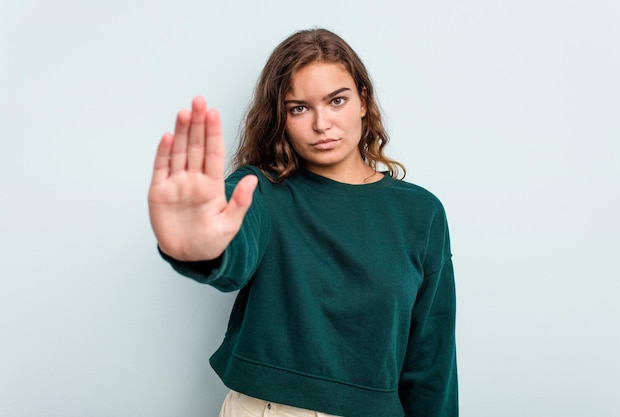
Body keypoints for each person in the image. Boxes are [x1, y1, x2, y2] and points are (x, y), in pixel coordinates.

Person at [148, 28, 458, 417]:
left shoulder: (421, 213)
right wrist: (202, 249)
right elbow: (232, 253)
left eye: (336, 101)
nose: (321, 123)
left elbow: (432, 357)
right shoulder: (258, 190)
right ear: (281, 117)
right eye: (299, 108)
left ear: (363, 101)